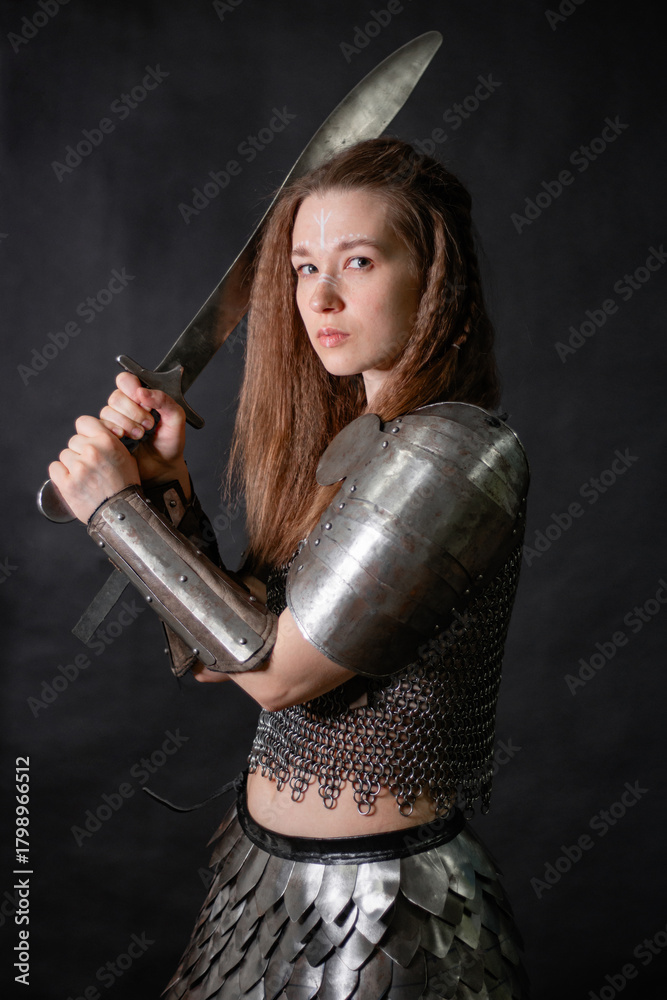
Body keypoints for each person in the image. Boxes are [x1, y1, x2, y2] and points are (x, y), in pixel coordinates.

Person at [50, 137, 530, 999]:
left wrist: (113, 513)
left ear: (434, 276)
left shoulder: (452, 456)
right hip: (261, 892)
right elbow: (216, 653)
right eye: (305, 267)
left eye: (358, 260)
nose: (322, 295)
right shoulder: (363, 452)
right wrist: (167, 497)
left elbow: (277, 674)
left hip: (389, 917)